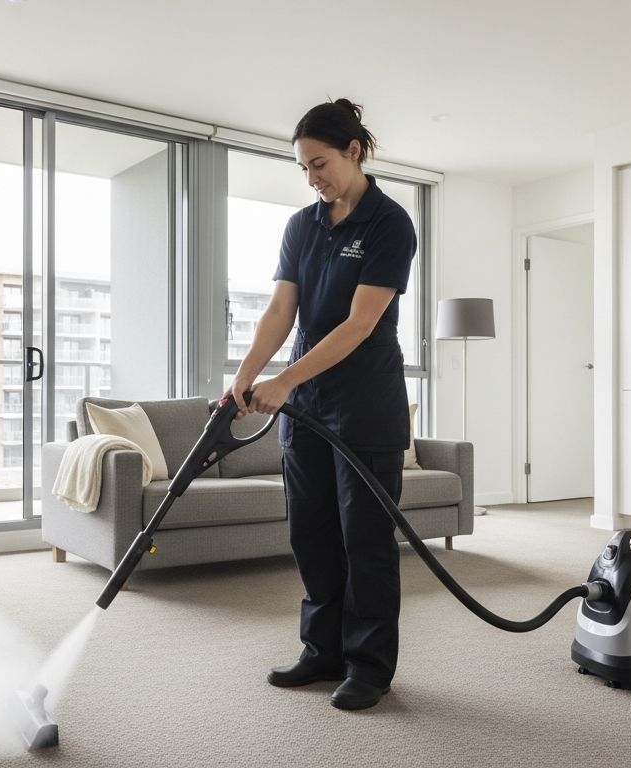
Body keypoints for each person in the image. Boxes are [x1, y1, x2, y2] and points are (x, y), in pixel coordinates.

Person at [224, 98, 416, 711]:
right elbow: (283, 310)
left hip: (365, 401)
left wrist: (284, 382)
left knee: (365, 539)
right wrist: (247, 374)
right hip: (306, 405)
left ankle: (368, 666)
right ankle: (322, 651)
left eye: (320, 163)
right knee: (311, 532)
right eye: (304, 168)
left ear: (353, 152)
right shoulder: (302, 226)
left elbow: (360, 324)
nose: (313, 178)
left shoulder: (390, 223)